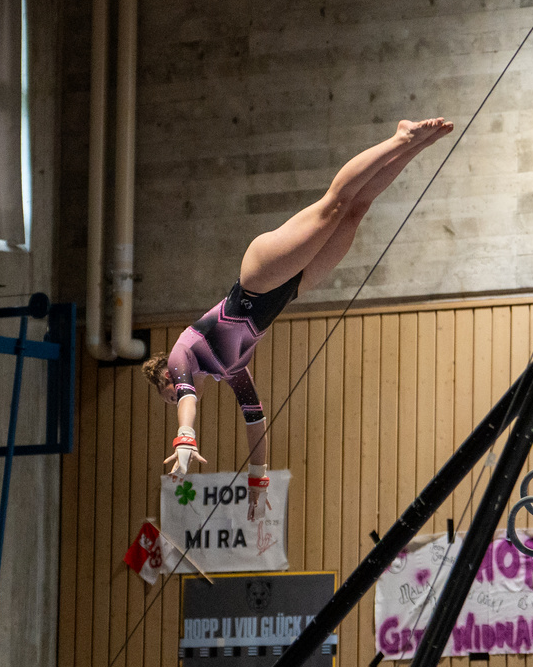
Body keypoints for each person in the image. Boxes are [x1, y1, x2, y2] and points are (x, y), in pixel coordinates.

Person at [142, 117, 455, 520]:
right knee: (355, 212)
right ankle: (415, 145)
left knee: (334, 206)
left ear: (166, 377)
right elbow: (255, 421)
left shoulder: (182, 355)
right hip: (290, 290)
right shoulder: (228, 370)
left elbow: (187, 397)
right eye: (172, 399)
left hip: (258, 280)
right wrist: (258, 481)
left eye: (168, 394)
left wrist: (185, 436)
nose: (176, 397)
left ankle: (401, 136)